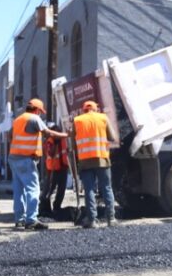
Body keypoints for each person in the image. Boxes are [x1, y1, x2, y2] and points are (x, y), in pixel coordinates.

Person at [8, 98, 67, 229]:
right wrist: (66, 135)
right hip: (25, 159)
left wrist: (18, 146)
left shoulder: (18, 119)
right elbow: (48, 133)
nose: (40, 114)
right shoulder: (34, 118)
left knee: (19, 190)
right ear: (37, 110)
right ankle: (31, 220)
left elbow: (9, 135)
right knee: (33, 189)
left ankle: (19, 220)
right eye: (40, 112)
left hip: (14, 158)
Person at [73, 100, 119, 228]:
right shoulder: (103, 118)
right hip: (102, 159)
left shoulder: (77, 120)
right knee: (107, 188)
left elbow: (73, 144)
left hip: (85, 161)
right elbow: (112, 137)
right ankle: (111, 219)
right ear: (96, 109)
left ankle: (92, 220)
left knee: (89, 190)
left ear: (83, 110)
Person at [44, 129, 71, 219]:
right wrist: (55, 144)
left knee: (61, 189)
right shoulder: (50, 141)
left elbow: (67, 151)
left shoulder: (64, 140)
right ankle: (45, 206)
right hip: (53, 169)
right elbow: (50, 153)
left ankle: (57, 206)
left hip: (63, 167)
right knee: (50, 189)